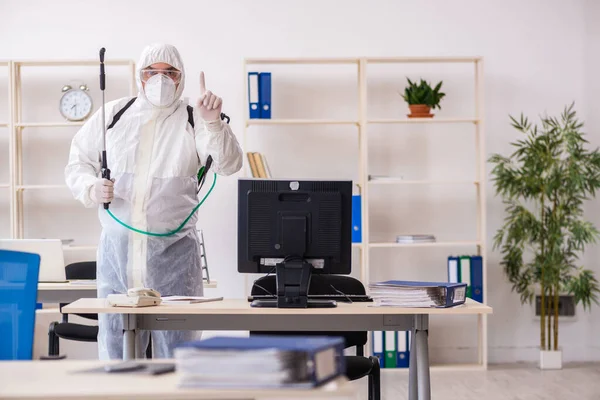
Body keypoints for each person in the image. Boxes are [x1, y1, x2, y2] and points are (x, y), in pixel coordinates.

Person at [65, 43, 243, 359]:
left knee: (177, 357)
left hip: (174, 258)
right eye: (152, 72)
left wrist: (214, 122)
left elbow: (229, 163)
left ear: (181, 77)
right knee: (118, 357)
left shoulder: (195, 118)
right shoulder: (113, 115)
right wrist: (92, 187)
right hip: (118, 258)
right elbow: (78, 162)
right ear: (140, 75)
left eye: (169, 73)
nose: (160, 80)